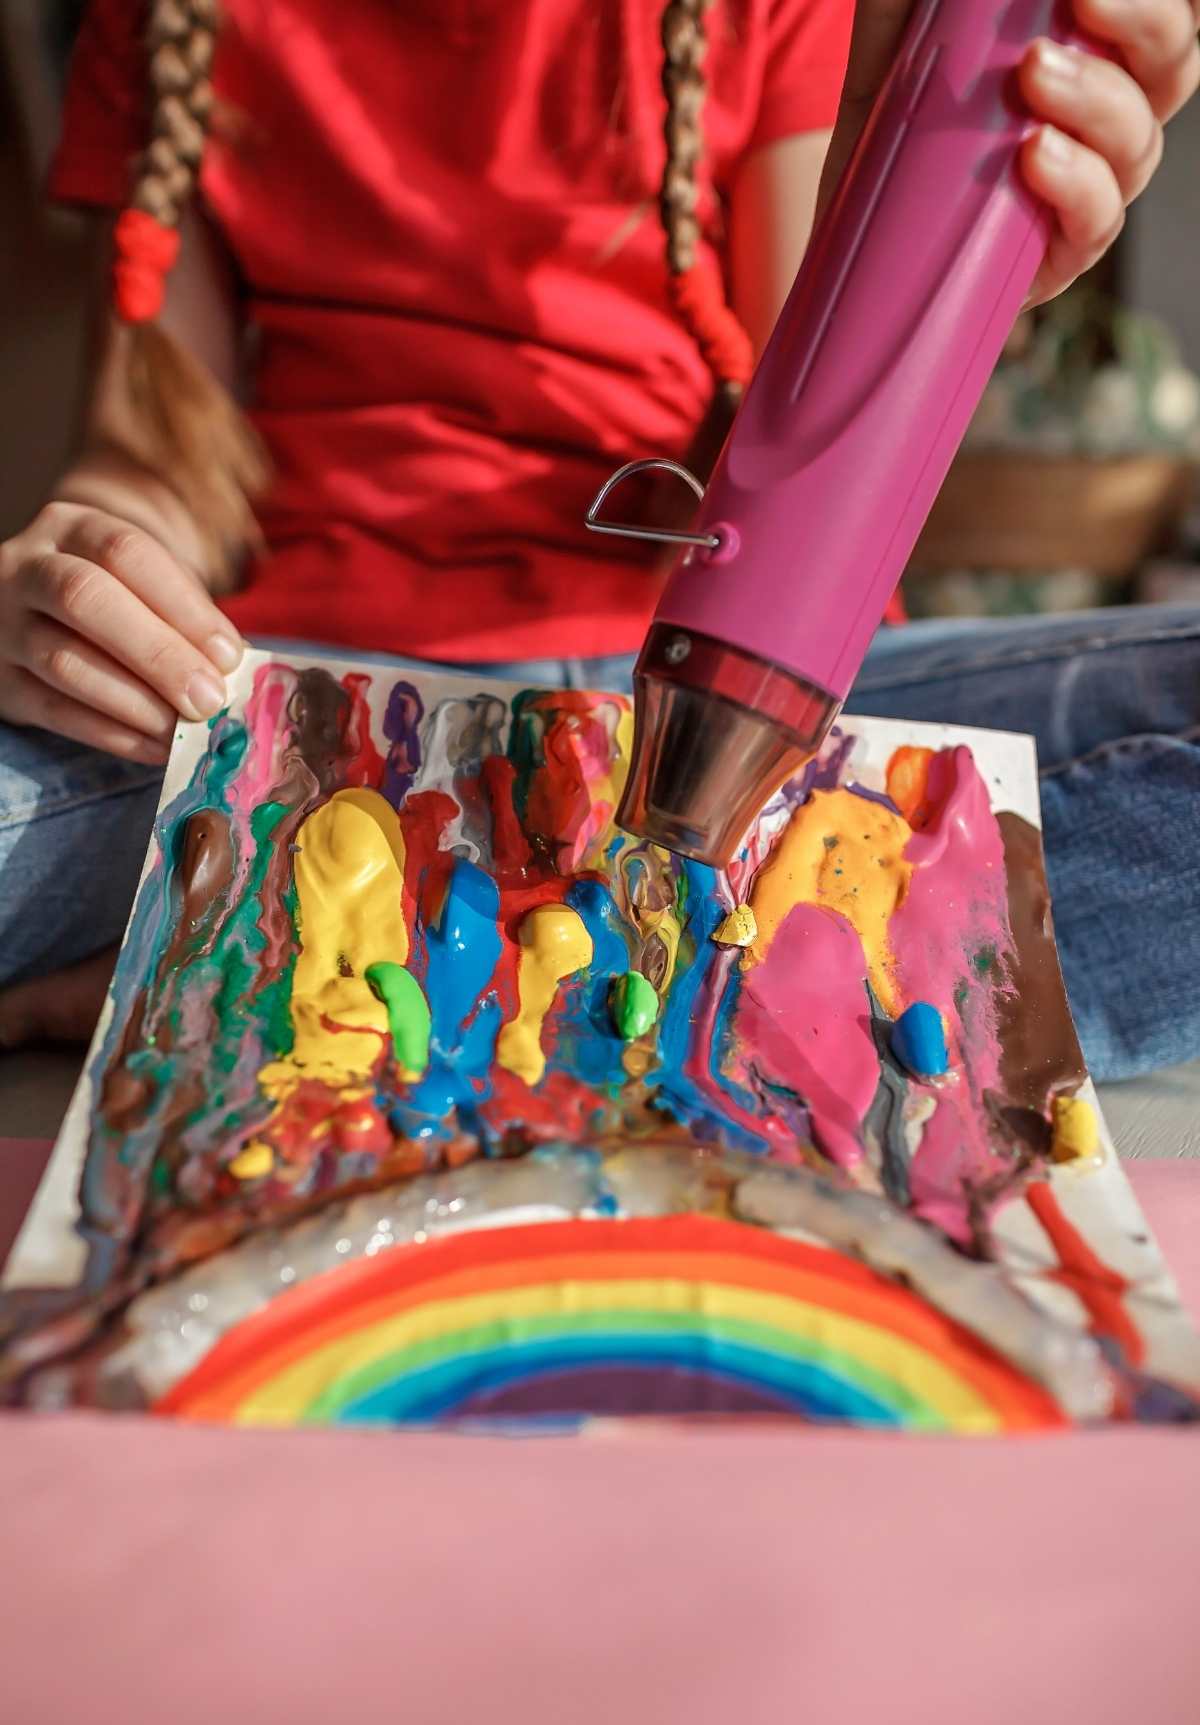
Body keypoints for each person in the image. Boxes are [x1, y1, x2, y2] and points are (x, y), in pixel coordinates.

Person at [0, 0, 1197, 1081]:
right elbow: (156, 457)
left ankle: (277, 952)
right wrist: (88, 575)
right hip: (315, 725)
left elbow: (814, 410)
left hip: (733, 687)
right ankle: (742, 993)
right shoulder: (174, 18)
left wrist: (951, 269)